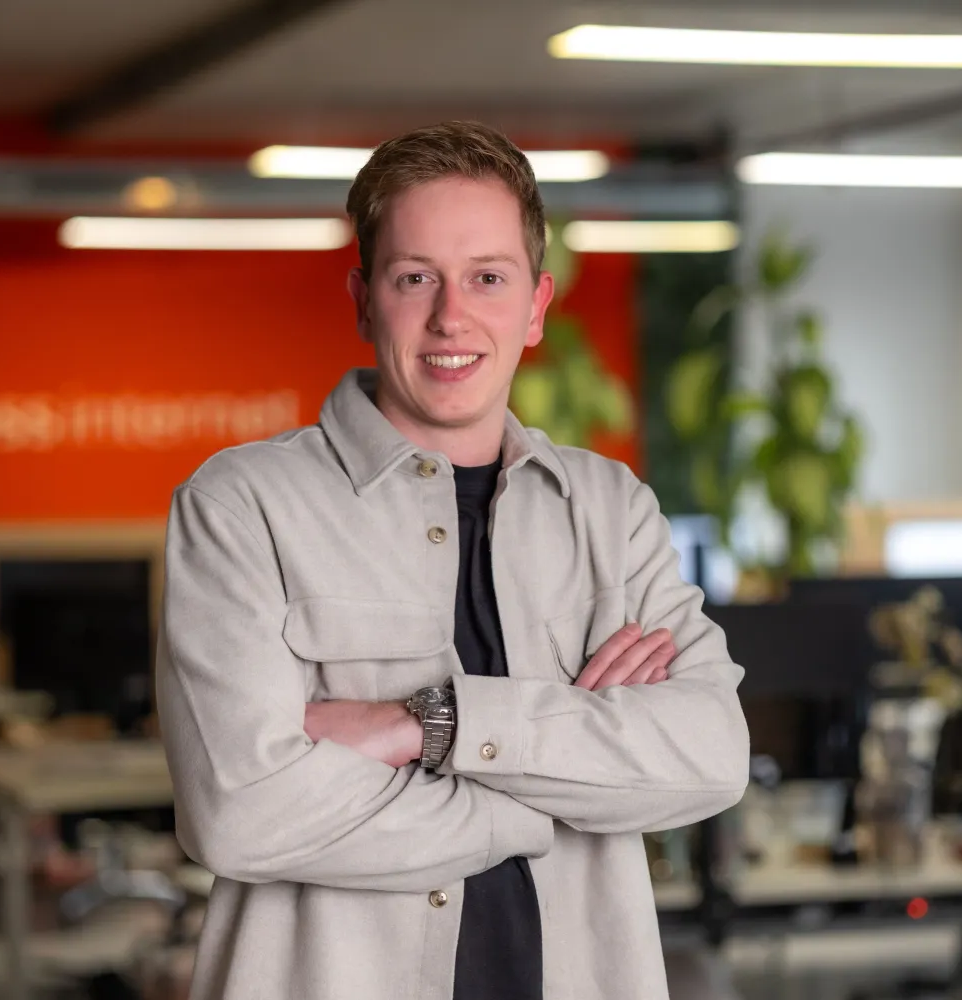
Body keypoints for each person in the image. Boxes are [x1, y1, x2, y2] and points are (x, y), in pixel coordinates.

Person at [156, 121, 750, 1000]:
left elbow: (711, 756)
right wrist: (549, 792)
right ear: (363, 300)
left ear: (537, 306)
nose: (451, 317)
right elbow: (240, 814)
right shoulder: (243, 507)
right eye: (415, 278)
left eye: (487, 278)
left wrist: (433, 725)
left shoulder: (612, 511)